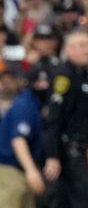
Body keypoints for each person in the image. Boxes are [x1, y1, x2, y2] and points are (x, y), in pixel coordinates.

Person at [43, 30, 88, 208]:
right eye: (82, 46)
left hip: (81, 151)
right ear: (69, 49)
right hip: (68, 153)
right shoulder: (64, 76)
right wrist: (52, 156)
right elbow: (53, 119)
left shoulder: (83, 74)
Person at [0, 68, 48, 208]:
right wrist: (31, 170)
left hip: (15, 170)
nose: (43, 85)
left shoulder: (31, 103)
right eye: (39, 82)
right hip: (10, 171)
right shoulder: (24, 104)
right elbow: (18, 140)